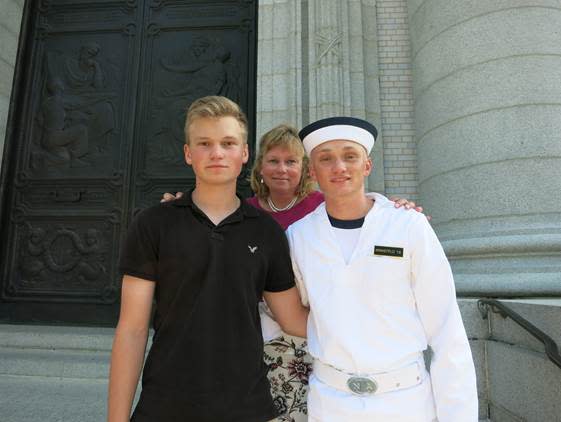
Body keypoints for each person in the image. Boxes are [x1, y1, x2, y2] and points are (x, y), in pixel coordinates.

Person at [162, 123, 424, 421]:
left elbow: (367, 224)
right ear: (259, 167)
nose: (281, 169)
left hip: (316, 335)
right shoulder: (240, 211)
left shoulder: (325, 207)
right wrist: (180, 210)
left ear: (306, 169)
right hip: (252, 334)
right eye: (273, 161)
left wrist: (397, 209)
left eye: (291, 162)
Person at [107, 96, 309, 422]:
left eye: (228, 143)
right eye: (204, 143)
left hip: (248, 409)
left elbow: (295, 321)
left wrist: (379, 219)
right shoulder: (153, 223)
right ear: (188, 154)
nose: (217, 153)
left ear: (244, 153)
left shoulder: (267, 232)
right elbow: (131, 330)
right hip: (164, 407)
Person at [286, 117, 478, 422]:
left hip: (406, 403)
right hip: (330, 404)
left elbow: (446, 330)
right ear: (312, 171)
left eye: (350, 156)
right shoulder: (298, 237)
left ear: (367, 166)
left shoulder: (408, 226)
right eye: (326, 159)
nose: (339, 167)